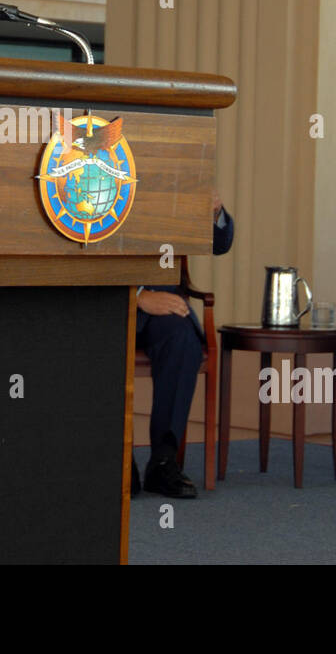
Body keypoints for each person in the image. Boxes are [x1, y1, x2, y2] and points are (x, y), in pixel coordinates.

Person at [132, 190, 233, 498]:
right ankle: (117, 460)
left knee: (183, 340)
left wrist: (215, 212)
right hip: (109, 300)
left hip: (164, 301)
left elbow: (219, 244)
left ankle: (164, 461)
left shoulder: (175, 173)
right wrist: (138, 296)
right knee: (102, 344)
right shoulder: (101, 160)